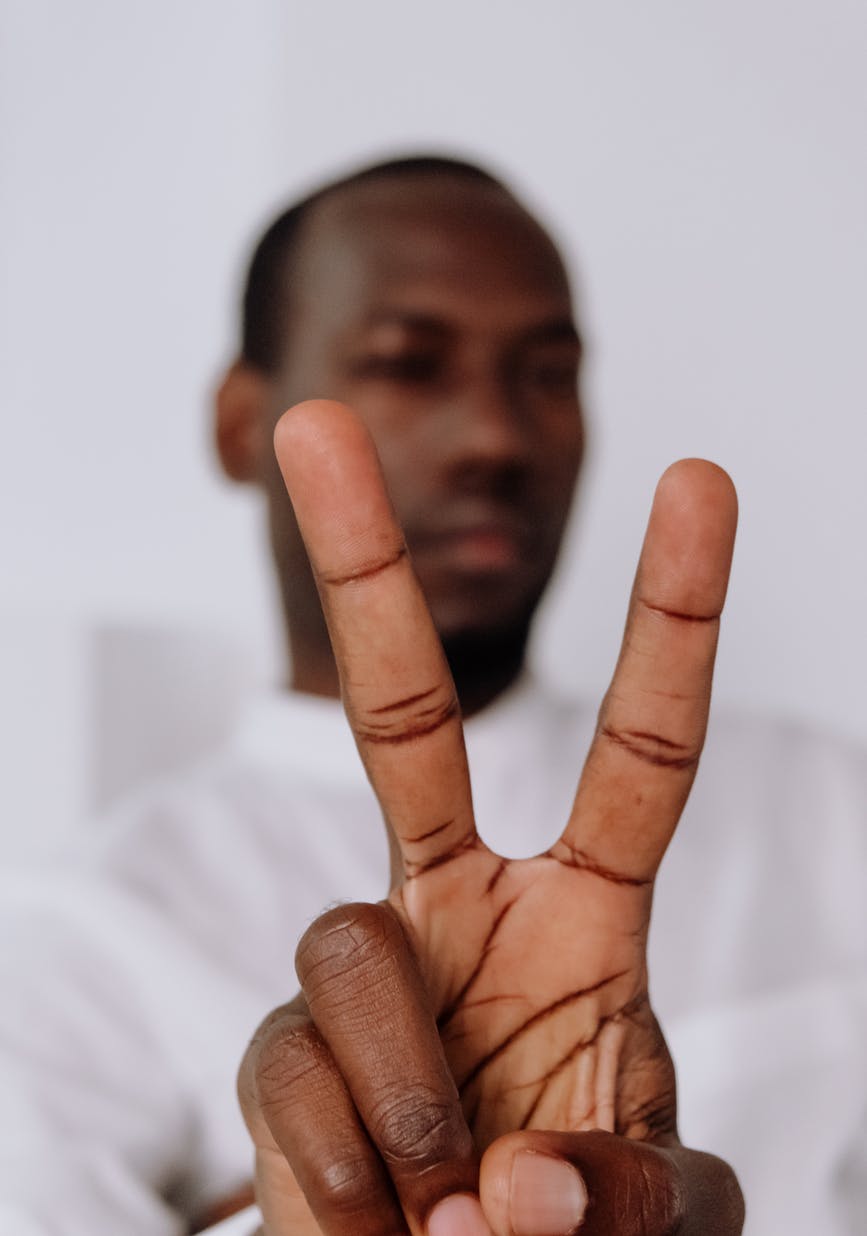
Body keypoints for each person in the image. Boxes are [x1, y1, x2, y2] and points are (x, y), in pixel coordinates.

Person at [1, 156, 864, 1234]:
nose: (499, 437)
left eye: (548, 374)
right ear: (238, 422)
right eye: (410, 363)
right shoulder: (79, 930)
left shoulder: (828, 806)